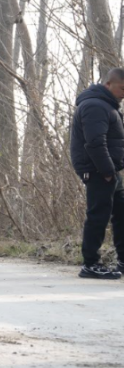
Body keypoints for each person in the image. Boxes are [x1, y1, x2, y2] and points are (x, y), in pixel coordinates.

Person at [69, 68, 124, 279]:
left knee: (120, 214)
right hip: (98, 170)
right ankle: (90, 264)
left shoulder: (107, 106)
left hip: (108, 170)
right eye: (122, 88)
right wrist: (108, 171)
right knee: (98, 216)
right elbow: (94, 143)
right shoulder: (95, 105)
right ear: (109, 84)